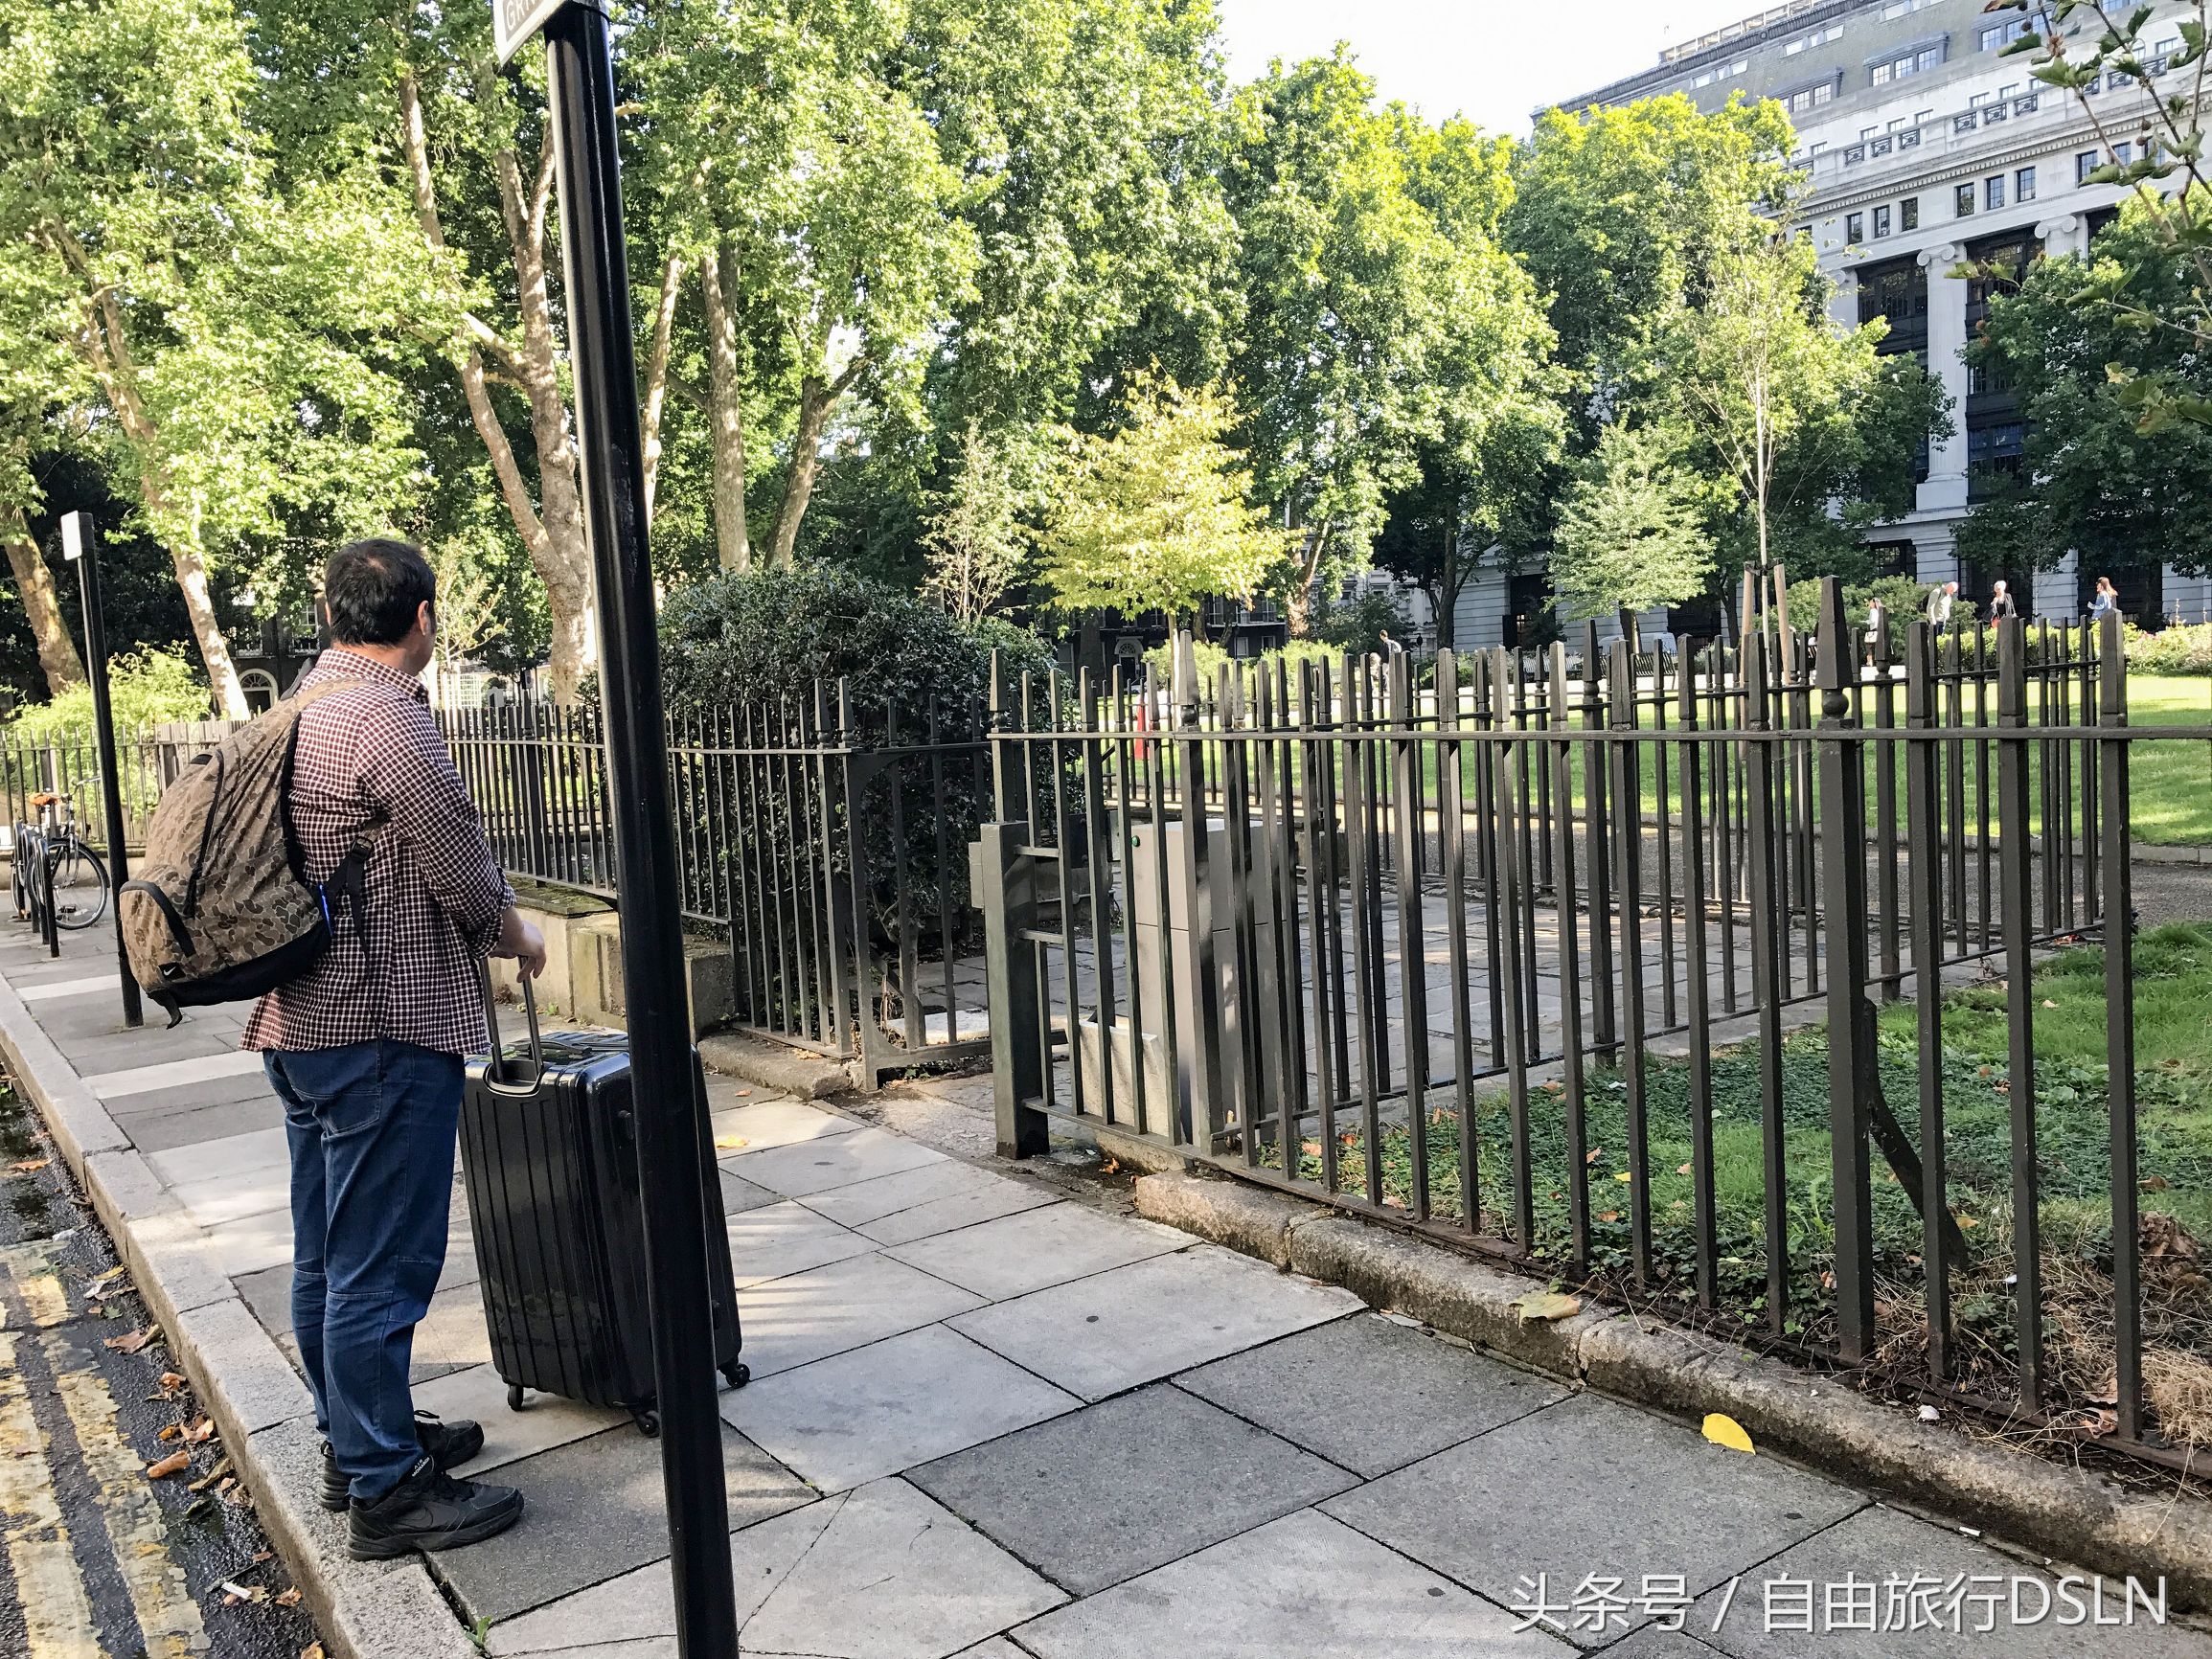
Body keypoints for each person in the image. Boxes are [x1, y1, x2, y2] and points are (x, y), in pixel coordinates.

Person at [245, 538, 547, 1560]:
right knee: (382, 1261)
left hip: (299, 1023)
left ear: (335, 616)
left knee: (329, 1253)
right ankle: (383, 1490)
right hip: (382, 1026)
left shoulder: (294, 709)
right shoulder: (385, 720)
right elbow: (459, 866)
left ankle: (354, 1440)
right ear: (420, 616)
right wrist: (520, 936)